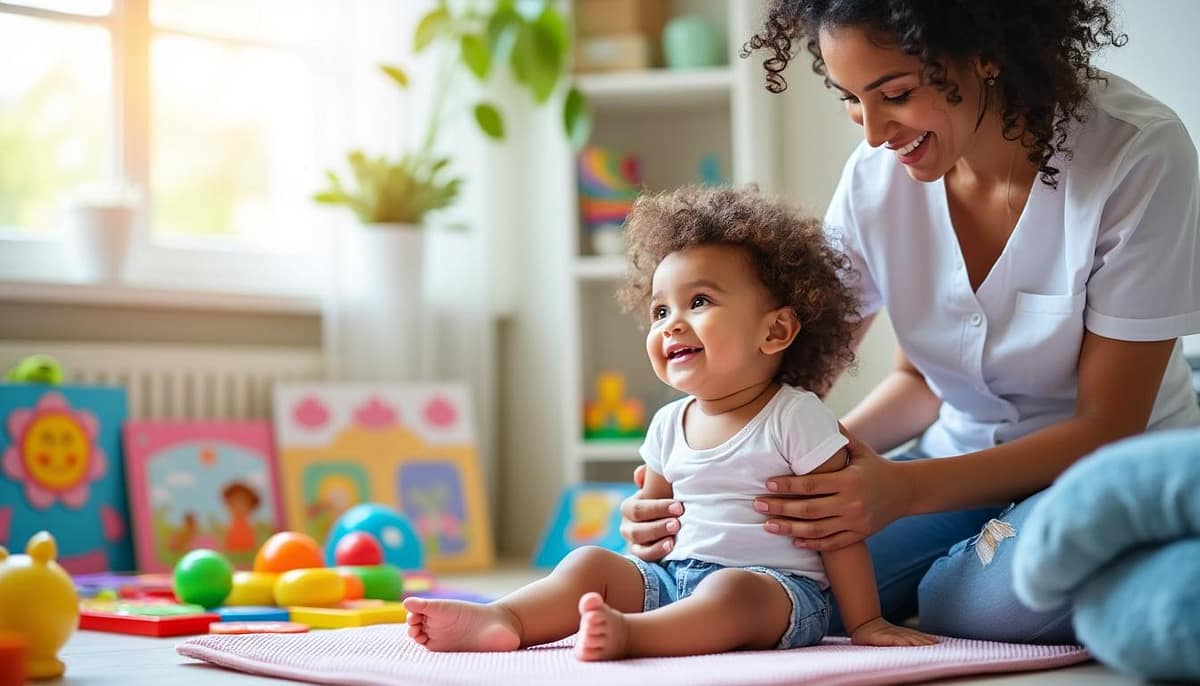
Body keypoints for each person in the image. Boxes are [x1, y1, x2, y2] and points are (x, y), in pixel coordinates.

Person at [619, 0, 1200, 644]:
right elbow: (911, 380)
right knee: (795, 591)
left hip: (1096, 467)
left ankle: (1161, 537)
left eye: (894, 93)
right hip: (948, 455)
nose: (872, 134)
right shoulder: (876, 178)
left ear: (985, 54)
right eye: (849, 100)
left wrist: (902, 491)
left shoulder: (1135, 153)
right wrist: (779, 473)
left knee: (971, 608)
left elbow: (1106, 425)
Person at [404, 186, 936, 660]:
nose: (671, 323)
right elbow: (654, 527)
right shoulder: (666, 423)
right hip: (670, 579)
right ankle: (509, 619)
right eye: (660, 311)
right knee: (590, 562)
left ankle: (635, 636)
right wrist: (636, 555)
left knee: (731, 595)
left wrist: (866, 622)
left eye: (698, 301)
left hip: (778, 591)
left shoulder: (796, 417)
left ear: (774, 331)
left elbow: (839, 531)